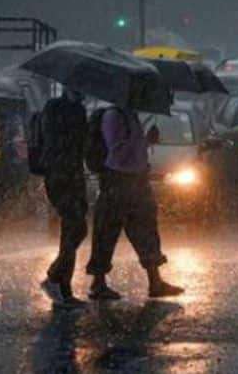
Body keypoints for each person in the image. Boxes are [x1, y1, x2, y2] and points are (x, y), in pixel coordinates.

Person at [86, 105, 184, 299]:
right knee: (106, 232)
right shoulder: (113, 116)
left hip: (137, 180)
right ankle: (98, 283)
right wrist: (142, 142)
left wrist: (147, 142)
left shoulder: (131, 115)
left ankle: (155, 282)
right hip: (118, 180)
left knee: (146, 230)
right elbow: (117, 151)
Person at [39, 88, 88, 308]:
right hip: (59, 175)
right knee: (73, 227)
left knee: (77, 229)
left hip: (75, 175)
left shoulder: (80, 110)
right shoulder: (53, 108)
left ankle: (56, 279)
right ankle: (61, 286)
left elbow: (82, 146)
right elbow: (55, 140)